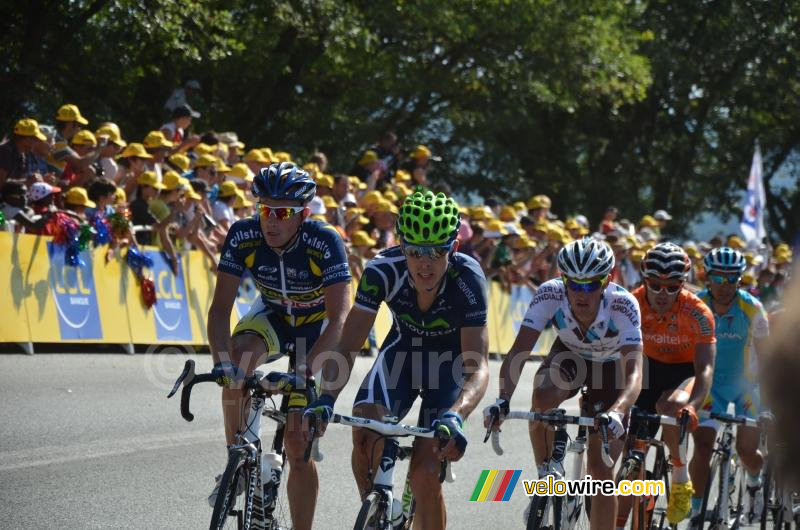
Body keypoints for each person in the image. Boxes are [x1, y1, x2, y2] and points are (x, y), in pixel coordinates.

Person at [304, 190, 490, 530]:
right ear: (401, 246)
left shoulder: (467, 279)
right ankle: (378, 515)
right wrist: (325, 398)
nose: (425, 262)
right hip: (401, 356)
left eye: (436, 251)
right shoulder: (381, 270)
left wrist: (457, 415)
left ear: (454, 248)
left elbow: (477, 367)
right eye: (414, 251)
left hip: (448, 370)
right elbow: (347, 345)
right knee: (364, 433)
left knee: (425, 475)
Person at [207, 162, 352, 530]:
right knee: (236, 362)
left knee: (299, 443)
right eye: (264, 209)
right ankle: (237, 458)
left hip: (314, 328)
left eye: (282, 212)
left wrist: (303, 373)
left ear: (303, 214)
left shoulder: (324, 241)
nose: (270, 220)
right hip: (272, 314)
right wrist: (223, 365)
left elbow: (339, 320)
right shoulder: (243, 235)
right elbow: (221, 308)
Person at [487, 237, 643, 530]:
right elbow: (519, 351)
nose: (581, 293)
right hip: (570, 356)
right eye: (573, 284)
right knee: (543, 395)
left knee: (600, 473)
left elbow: (635, 373)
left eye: (590, 285)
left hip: (612, 370)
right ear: (563, 279)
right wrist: (503, 399)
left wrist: (620, 411)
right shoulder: (550, 294)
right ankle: (546, 477)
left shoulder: (623, 304)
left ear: (607, 280)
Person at [617, 243, 716, 527]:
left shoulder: (698, 312)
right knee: (630, 468)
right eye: (655, 285)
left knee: (670, 406)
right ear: (644, 280)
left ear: (683, 284)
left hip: (684, 372)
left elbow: (706, 368)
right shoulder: (631, 304)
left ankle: (680, 475)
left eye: (672, 287)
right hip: (646, 372)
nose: (662, 293)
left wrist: (694, 406)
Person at [690, 247, 769, 523]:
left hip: (746, 387)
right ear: (707, 277)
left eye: (731, 279)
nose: (724, 286)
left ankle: (754, 481)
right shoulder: (696, 305)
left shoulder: (752, 307)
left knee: (748, 451)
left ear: (740, 279)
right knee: (701, 446)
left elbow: (767, 355)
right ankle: (697, 509)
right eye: (718, 279)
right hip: (711, 387)